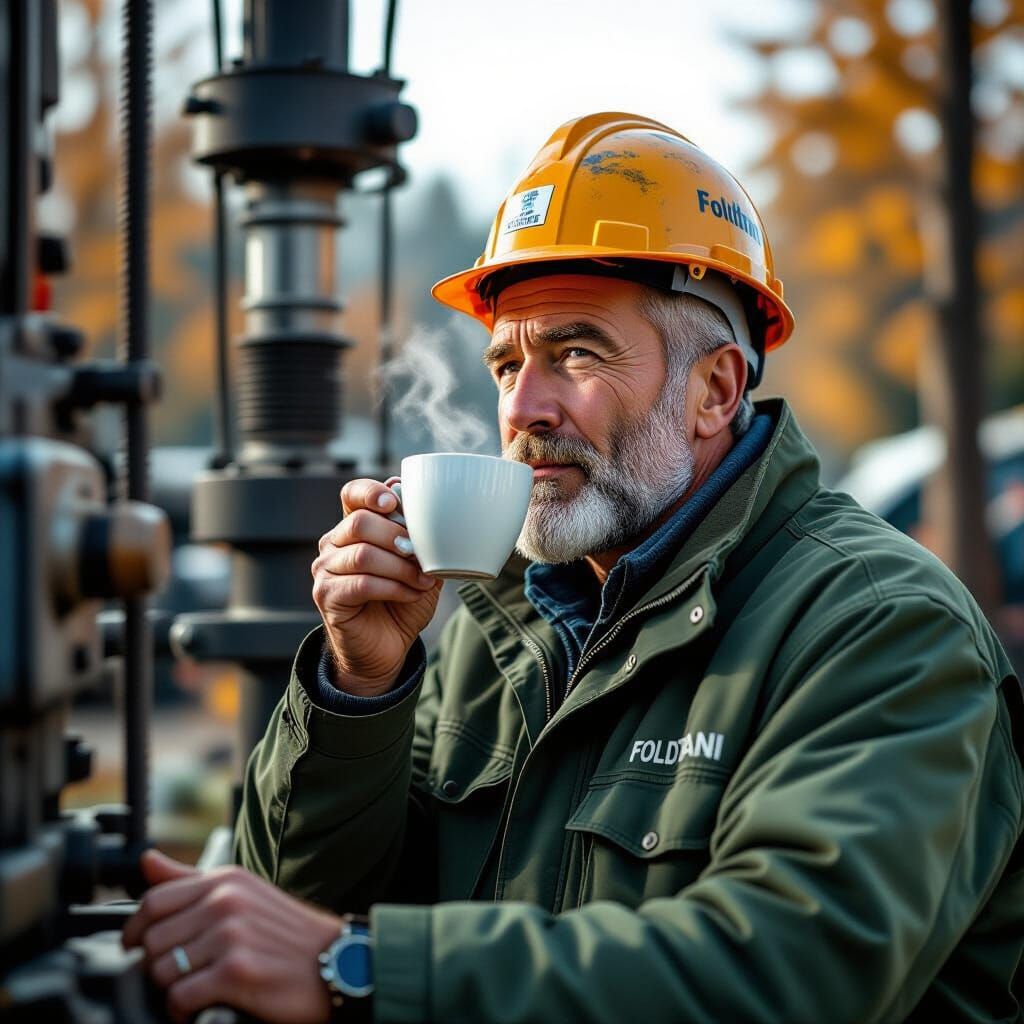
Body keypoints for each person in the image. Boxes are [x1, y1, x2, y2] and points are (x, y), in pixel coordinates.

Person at [123, 112, 1024, 1023]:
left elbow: (789, 976)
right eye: (506, 364)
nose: (525, 409)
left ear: (715, 390)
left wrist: (361, 970)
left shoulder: (878, 624)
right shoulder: (497, 629)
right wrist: (361, 686)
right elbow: (299, 906)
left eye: (576, 353)